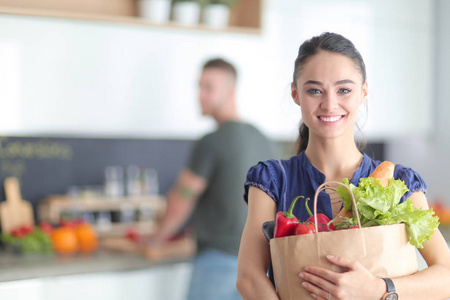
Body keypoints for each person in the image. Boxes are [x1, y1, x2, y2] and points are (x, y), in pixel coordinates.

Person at [236, 32, 450, 299]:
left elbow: (446, 276)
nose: (329, 104)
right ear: (295, 94)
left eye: (344, 90)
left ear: (363, 93)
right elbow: (248, 277)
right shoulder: (272, 180)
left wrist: (380, 289)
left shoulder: (399, 182)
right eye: (315, 90)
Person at [149, 58, 277, 300]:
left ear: (230, 91)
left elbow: (182, 197)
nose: (200, 95)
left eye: (209, 87)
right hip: (259, 266)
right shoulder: (264, 140)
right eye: (199, 87)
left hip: (217, 263)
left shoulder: (212, 141)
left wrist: (156, 239)